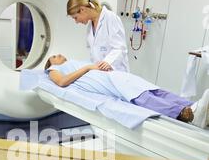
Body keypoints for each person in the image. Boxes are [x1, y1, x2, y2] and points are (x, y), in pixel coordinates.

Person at [44, 55, 209, 128]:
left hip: (116, 76)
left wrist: (103, 66)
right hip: (109, 82)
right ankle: (188, 115)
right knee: (143, 97)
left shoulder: (75, 61)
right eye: (54, 56)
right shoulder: (54, 69)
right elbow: (62, 82)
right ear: (51, 63)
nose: (59, 55)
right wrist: (88, 67)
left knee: (156, 91)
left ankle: (196, 107)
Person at [66, 0, 129, 72]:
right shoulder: (90, 27)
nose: (76, 22)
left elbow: (120, 48)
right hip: (101, 73)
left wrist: (108, 62)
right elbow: (94, 55)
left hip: (117, 72)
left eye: (75, 17)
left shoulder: (110, 18)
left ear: (82, 9)